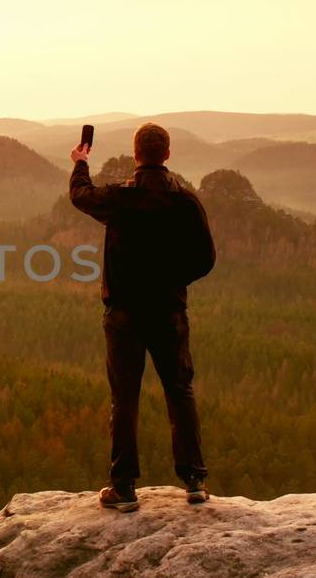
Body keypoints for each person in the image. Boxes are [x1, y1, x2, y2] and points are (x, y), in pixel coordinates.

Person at [68, 122, 215, 511]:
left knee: (124, 399)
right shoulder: (185, 202)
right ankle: (194, 480)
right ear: (167, 155)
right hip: (168, 312)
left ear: (136, 155)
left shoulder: (121, 199)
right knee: (180, 392)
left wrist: (81, 162)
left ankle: (124, 488)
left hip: (124, 315)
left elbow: (80, 195)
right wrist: (173, 280)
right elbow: (206, 259)